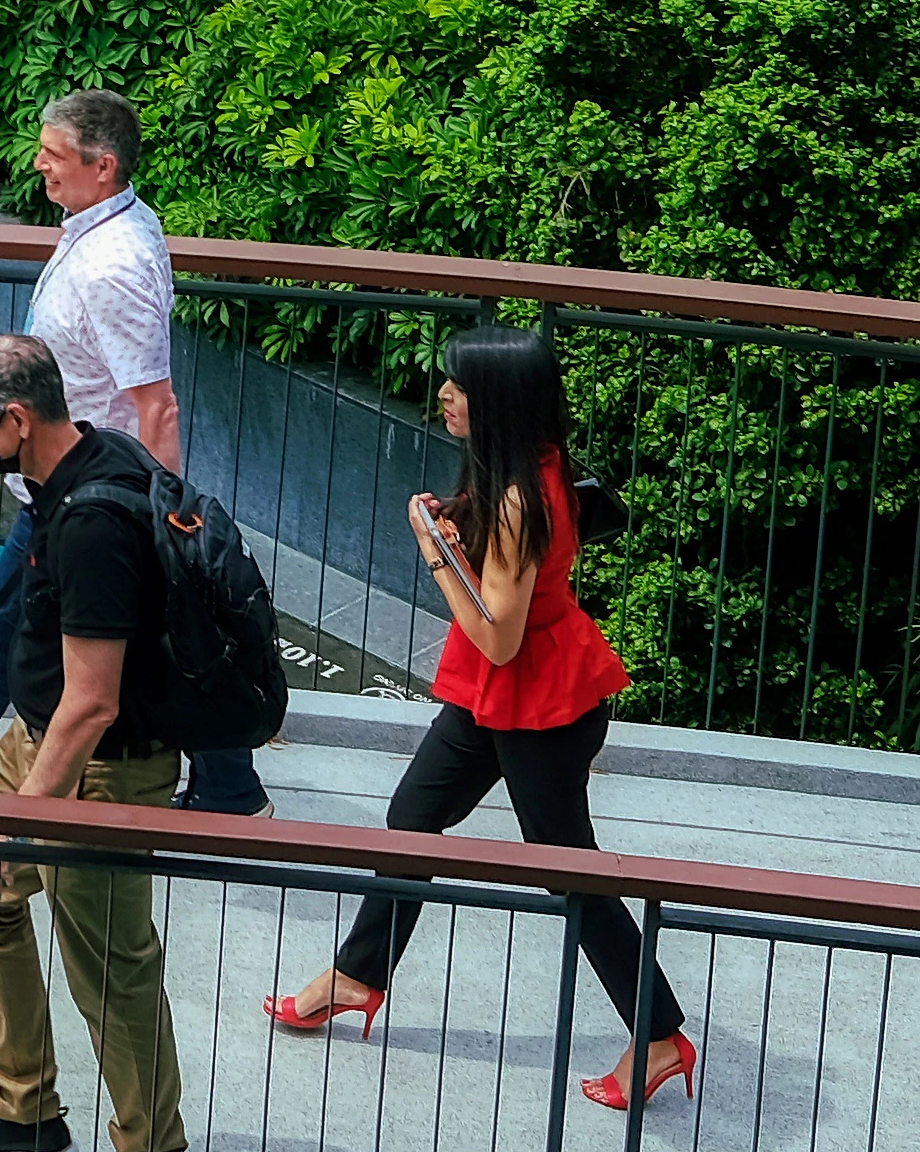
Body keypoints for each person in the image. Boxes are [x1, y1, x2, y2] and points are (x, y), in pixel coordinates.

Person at [260, 329, 693, 1110]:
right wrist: (463, 530)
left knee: (571, 874)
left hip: (540, 706)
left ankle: (658, 1032)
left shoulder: (522, 496)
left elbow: (496, 638)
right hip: (508, 699)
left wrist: (432, 549)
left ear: (494, 402)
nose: (444, 397)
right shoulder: (526, 464)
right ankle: (358, 977)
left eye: (457, 386)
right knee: (414, 817)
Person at [0, 95, 253, 813]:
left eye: (54, 153)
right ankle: (231, 786)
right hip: (78, 486)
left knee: (14, 627)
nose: (39, 163)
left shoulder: (114, 266)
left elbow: (156, 404)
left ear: (101, 167)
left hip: (88, 493)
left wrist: (161, 520)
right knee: (143, 633)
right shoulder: (111, 226)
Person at [0, 332, 197, 1152]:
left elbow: (94, 702)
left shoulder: (93, 523)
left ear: (19, 420)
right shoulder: (74, 468)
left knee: (111, 968)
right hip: (41, 740)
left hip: (99, 766)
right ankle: (26, 1109)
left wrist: (18, 820)